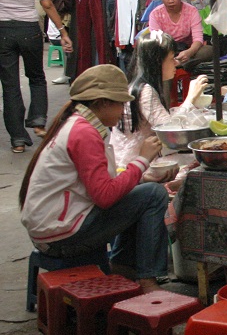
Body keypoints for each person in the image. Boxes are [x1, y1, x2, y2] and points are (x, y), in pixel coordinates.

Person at [19, 64, 170, 293]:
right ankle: (147, 278)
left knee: (143, 193)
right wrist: (142, 160)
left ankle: (123, 266)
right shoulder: (83, 132)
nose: (123, 110)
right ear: (103, 103)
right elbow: (105, 197)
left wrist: (141, 175)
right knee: (154, 195)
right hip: (61, 236)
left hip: (54, 227)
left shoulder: (78, 123)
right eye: (120, 104)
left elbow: (104, 185)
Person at [0, 0, 73, 153]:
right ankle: (39, 121)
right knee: (37, 77)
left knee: (10, 86)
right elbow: (47, 4)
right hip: (29, 30)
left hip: (3, 31)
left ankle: (18, 140)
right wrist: (62, 31)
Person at [111, 30, 207, 186]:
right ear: (156, 62)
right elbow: (170, 131)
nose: (175, 63)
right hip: (132, 167)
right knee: (197, 165)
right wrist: (191, 98)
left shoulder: (137, 86)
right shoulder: (145, 91)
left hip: (130, 161)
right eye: (171, 58)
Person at [147, 0, 213, 68]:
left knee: (208, 50)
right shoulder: (155, 14)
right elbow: (157, 41)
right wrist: (169, 56)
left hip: (188, 50)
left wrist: (189, 53)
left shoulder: (192, 11)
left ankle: (179, 63)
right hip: (165, 51)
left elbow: (198, 39)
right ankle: (177, 64)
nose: (170, 1)